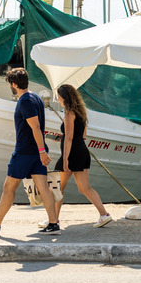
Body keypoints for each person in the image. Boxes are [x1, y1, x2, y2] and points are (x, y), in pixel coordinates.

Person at [0, 68, 60, 235]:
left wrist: (42, 151)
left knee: (8, 187)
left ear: (13, 84)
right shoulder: (35, 97)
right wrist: (41, 151)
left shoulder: (25, 101)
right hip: (35, 151)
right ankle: (53, 224)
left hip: (26, 152)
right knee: (43, 187)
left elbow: (35, 127)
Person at [39, 84, 112, 229]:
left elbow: (70, 137)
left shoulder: (68, 113)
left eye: (58, 95)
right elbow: (81, 135)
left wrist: (65, 159)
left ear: (63, 97)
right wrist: (63, 137)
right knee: (84, 188)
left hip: (72, 154)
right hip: (81, 151)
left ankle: (53, 220)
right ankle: (104, 215)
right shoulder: (80, 112)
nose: (57, 98)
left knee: (57, 188)